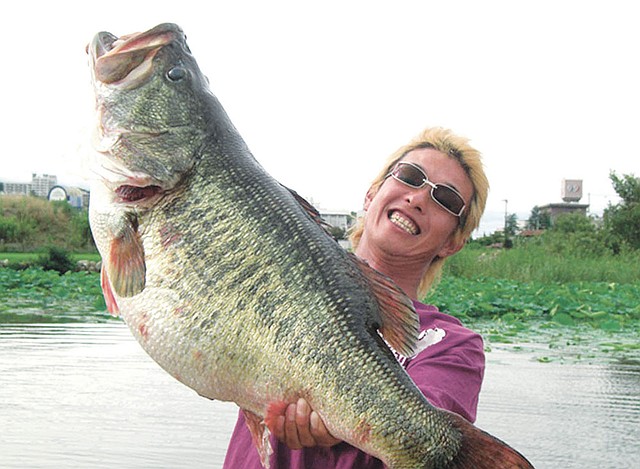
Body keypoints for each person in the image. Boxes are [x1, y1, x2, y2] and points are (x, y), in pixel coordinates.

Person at [223, 126, 490, 468]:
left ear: (454, 242)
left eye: (446, 200)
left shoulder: (452, 345)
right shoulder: (285, 276)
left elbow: (429, 436)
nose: (418, 198)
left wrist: (342, 409)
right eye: (410, 176)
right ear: (371, 194)